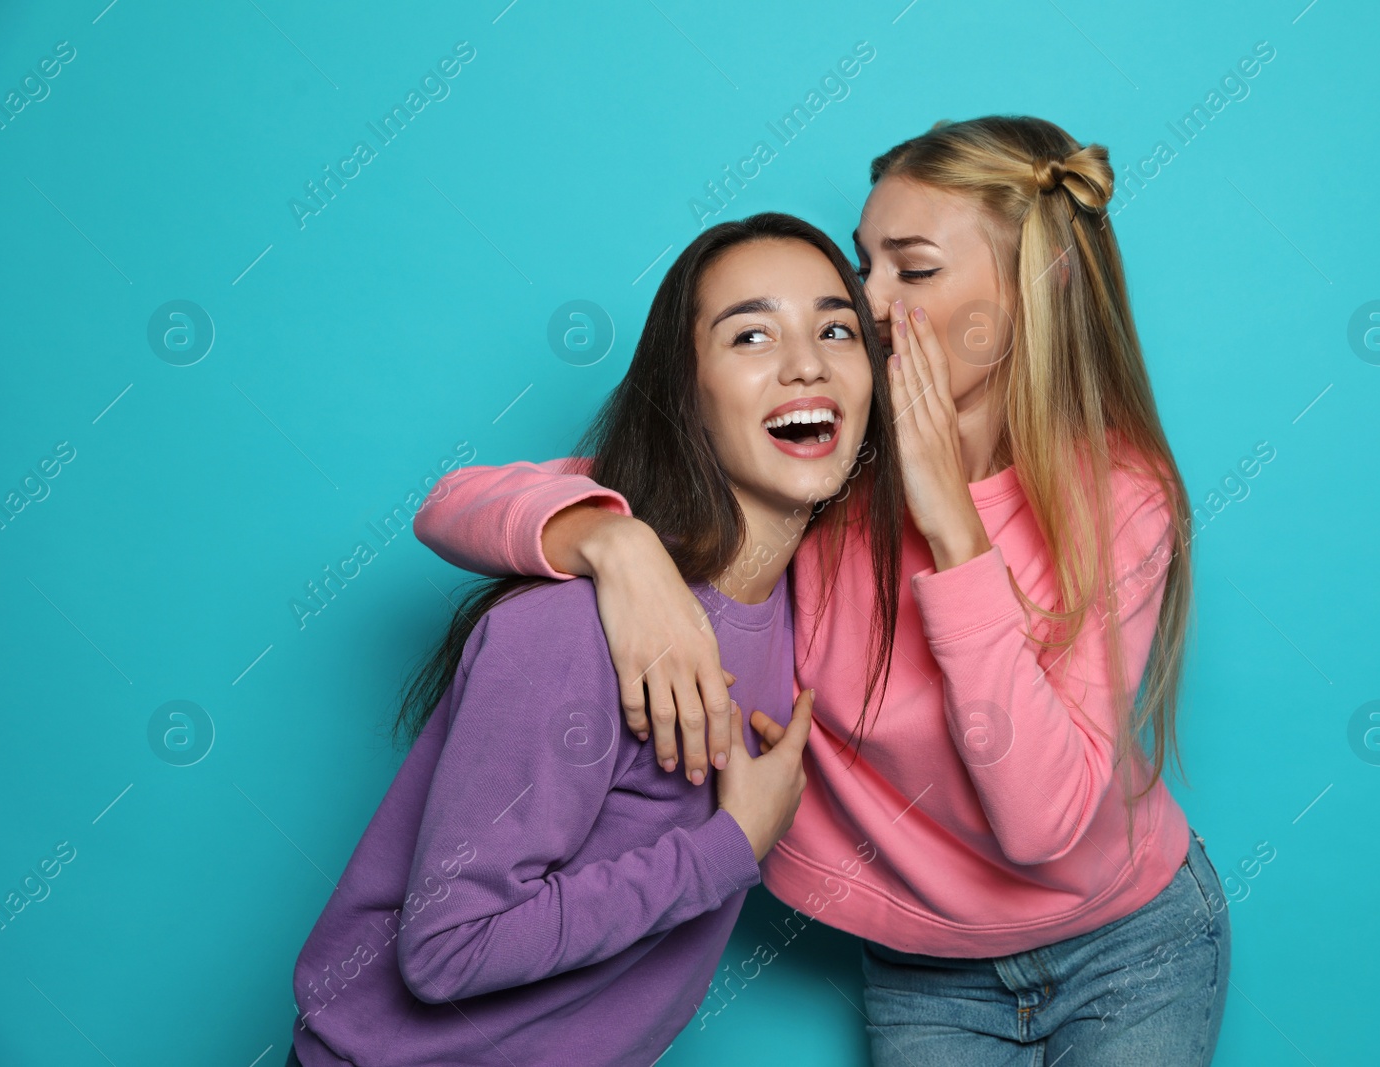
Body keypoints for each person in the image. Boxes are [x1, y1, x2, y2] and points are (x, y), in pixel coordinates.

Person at [414, 115, 1232, 1064]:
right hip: (925, 966)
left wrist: (956, 536)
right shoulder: (822, 464)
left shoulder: (1119, 500)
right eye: (863, 264)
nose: (868, 299)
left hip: (1131, 941)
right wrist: (613, 540)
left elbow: (1044, 822)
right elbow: (454, 502)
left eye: (911, 269)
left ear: (1028, 297)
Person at [285, 211, 905, 1067]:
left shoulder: (816, 604)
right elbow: (445, 949)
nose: (806, 362)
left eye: (837, 329)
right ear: (684, 392)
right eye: (751, 335)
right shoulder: (571, 627)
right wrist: (730, 845)